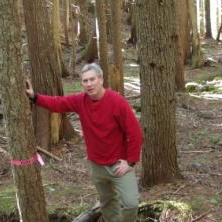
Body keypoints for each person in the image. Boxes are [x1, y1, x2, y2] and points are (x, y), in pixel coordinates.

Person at [26, 63, 143, 222]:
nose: (89, 84)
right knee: (108, 203)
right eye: (85, 81)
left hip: (119, 165)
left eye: (92, 79)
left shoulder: (117, 102)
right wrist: (35, 97)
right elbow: (58, 103)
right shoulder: (81, 101)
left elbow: (135, 132)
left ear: (101, 79)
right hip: (97, 166)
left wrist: (130, 162)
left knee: (130, 204)